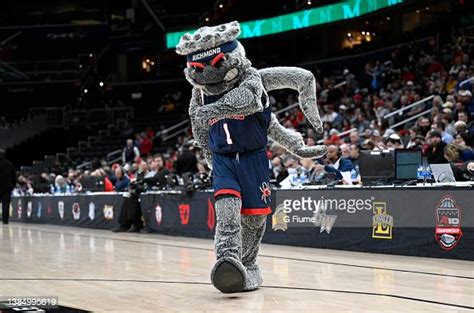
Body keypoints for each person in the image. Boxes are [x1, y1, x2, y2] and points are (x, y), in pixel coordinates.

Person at [0, 149, 16, 224]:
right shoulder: (9, 164)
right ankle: (5, 220)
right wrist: (13, 186)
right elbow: (14, 176)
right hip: (7, 187)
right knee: (6, 203)